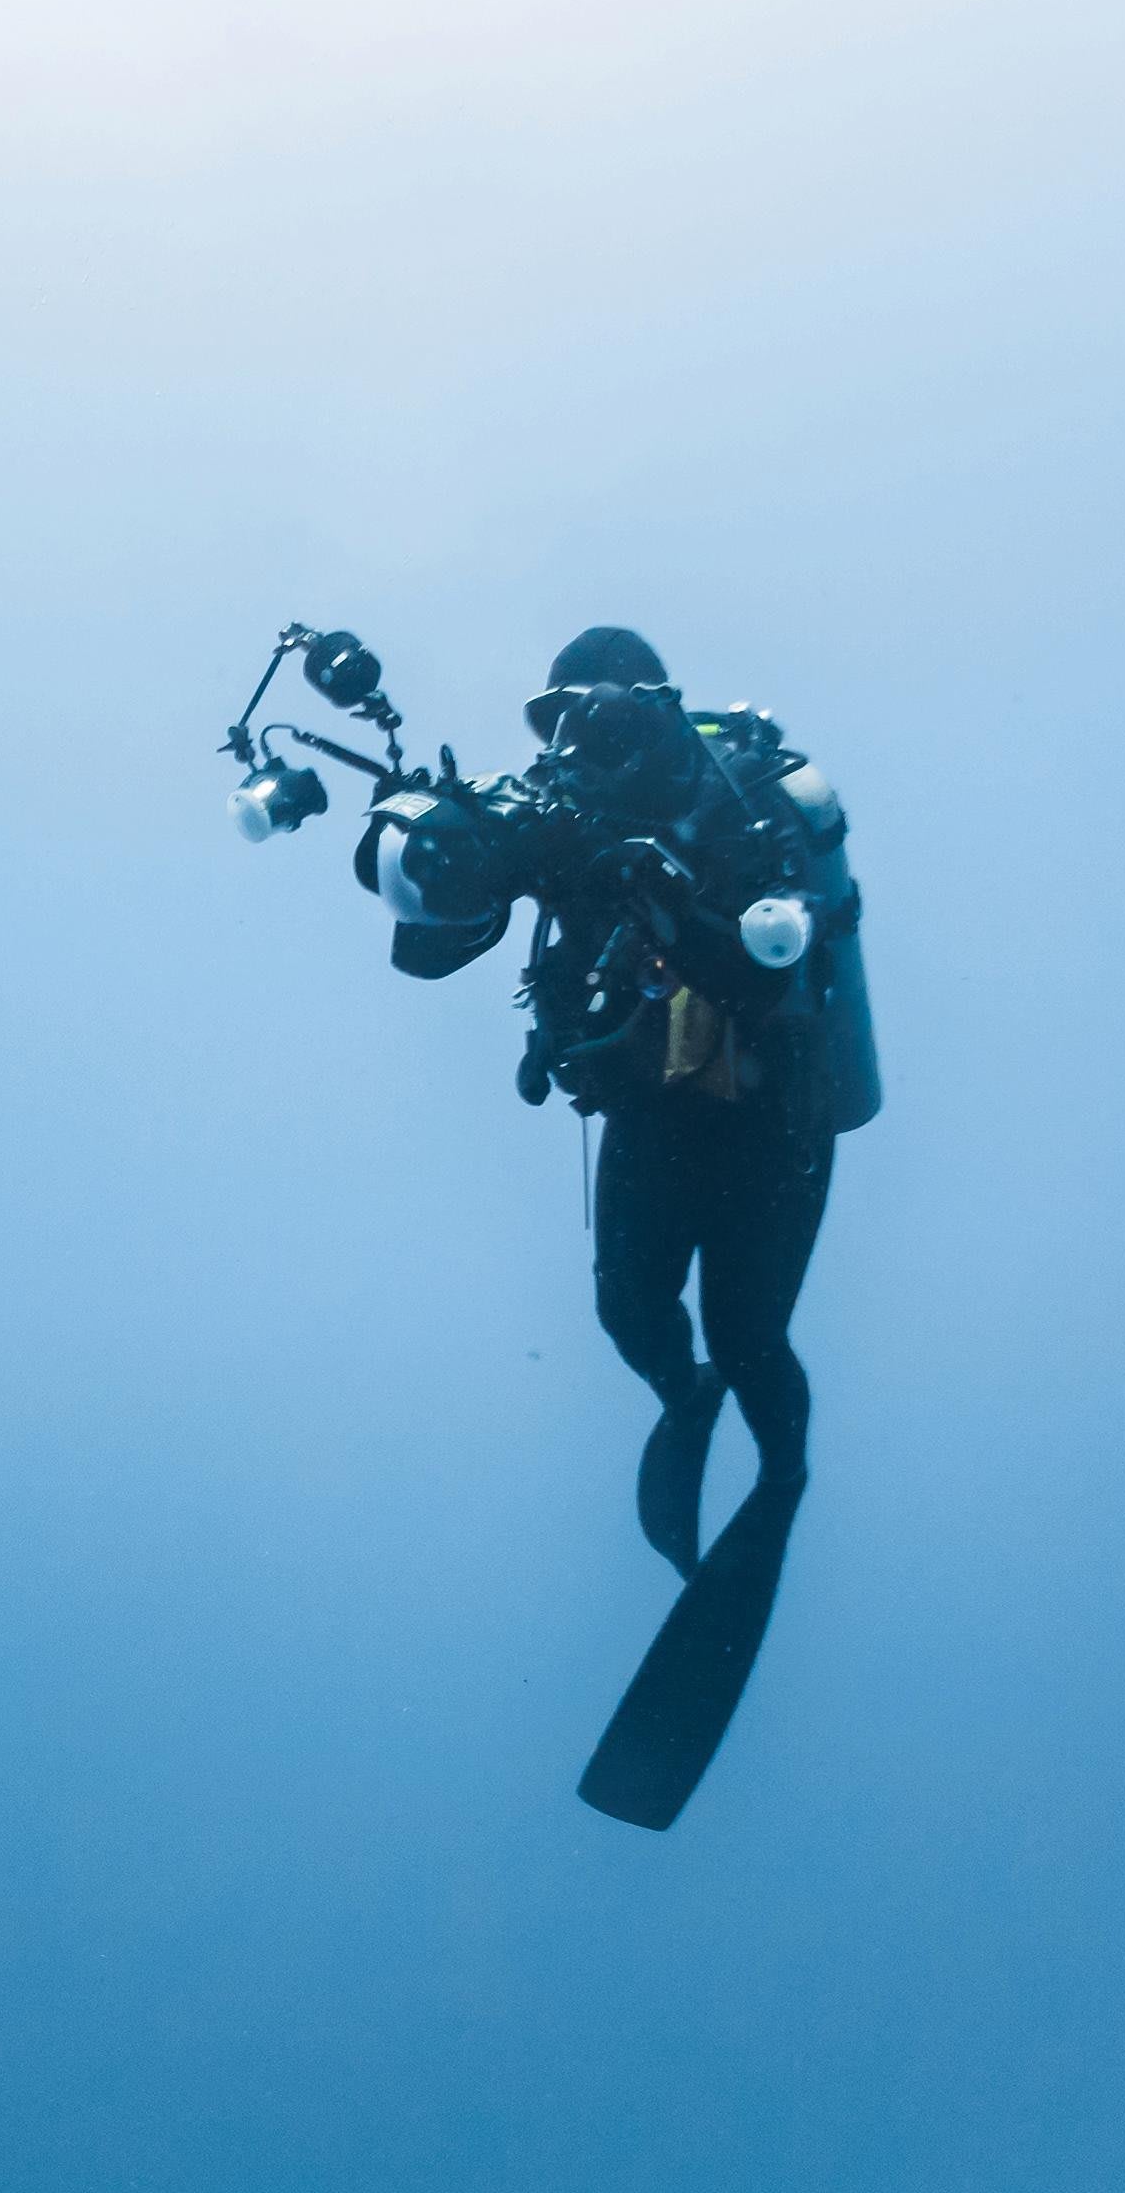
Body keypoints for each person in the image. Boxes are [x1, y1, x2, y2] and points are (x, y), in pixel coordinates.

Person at [361, 625, 877, 1578]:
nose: (582, 743)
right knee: (628, 1307)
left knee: (748, 1335)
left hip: (775, 1110)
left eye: (604, 718)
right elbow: (425, 951)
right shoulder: (561, 816)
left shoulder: (743, 801)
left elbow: (765, 983)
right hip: (655, 1105)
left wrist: (659, 893)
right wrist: (437, 852)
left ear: (658, 710)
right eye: (557, 721)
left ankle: (783, 1472)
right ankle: (685, 1398)